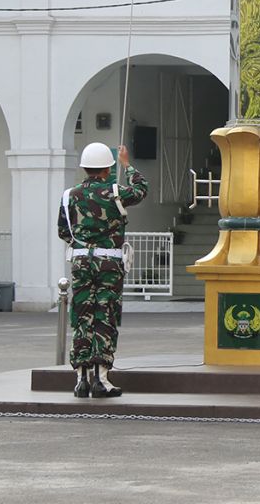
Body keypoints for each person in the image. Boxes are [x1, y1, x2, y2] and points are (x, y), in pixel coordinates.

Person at [57, 142, 148, 398]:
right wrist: (127, 165)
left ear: (84, 168)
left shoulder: (69, 196)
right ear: (107, 169)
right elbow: (142, 189)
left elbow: (64, 231)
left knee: (82, 313)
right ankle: (102, 377)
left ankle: (81, 378)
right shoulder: (116, 192)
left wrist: (85, 243)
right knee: (105, 314)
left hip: (81, 261)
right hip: (108, 262)